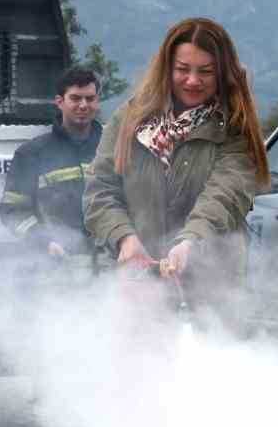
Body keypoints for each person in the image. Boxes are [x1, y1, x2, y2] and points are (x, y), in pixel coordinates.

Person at [84, 17, 268, 313]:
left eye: (205, 72)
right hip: (137, 287)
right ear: (166, 68)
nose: (193, 80)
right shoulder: (129, 118)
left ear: (222, 74)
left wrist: (190, 241)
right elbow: (100, 190)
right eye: (183, 69)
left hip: (213, 292)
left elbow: (224, 195)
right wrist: (124, 238)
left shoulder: (235, 128)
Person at [0, 67, 103, 258]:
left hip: (109, 267)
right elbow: (12, 210)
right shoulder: (32, 154)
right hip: (54, 269)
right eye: (75, 98)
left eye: (89, 98)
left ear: (97, 102)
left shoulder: (113, 150)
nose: (83, 105)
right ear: (59, 102)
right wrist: (42, 241)